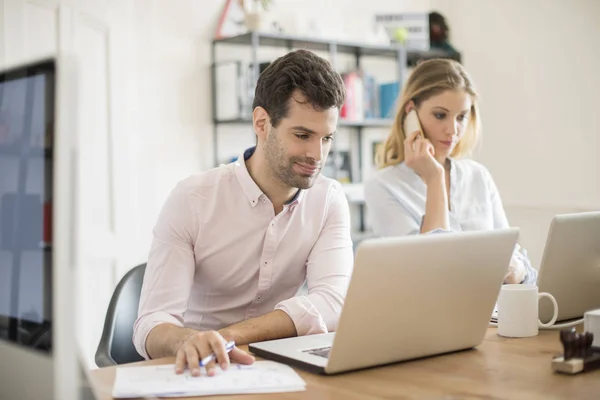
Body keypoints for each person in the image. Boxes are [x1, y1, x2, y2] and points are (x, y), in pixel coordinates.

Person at [133, 49, 353, 377]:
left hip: (278, 364)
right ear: (262, 123)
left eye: (327, 138)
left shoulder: (329, 200)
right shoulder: (193, 198)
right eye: (302, 135)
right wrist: (189, 342)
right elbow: (151, 325)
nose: (316, 155)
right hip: (200, 370)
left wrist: (230, 336)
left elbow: (334, 304)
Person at [364, 58, 537, 285]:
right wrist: (434, 178)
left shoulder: (478, 176)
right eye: (440, 115)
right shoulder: (383, 186)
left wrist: (517, 270)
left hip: (492, 315)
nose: (452, 130)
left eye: (461, 117)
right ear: (411, 114)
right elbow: (429, 271)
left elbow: (520, 263)